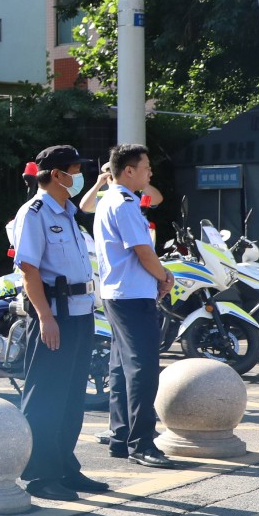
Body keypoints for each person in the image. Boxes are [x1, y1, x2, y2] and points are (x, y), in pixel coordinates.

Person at [11, 147, 107, 501]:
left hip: (80, 312)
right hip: (55, 314)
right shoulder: (34, 213)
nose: (79, 176)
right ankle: (40, 475)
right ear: (55, 174)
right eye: (75, 170)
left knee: (71, 397)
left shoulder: (68, 211)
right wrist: (45, 317)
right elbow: (29, 271)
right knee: (46, 397)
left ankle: (65, 467)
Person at [95, 144, 178, 468]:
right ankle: (141, 443)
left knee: (121, 368)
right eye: (146, 167)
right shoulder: (125, 203)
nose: (150, 172)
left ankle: (121, 437)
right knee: (143, 369)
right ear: (128, 170)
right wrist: (164, 276)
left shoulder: (110, 199)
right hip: (131, 295)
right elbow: (143, 251)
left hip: (118, 293)